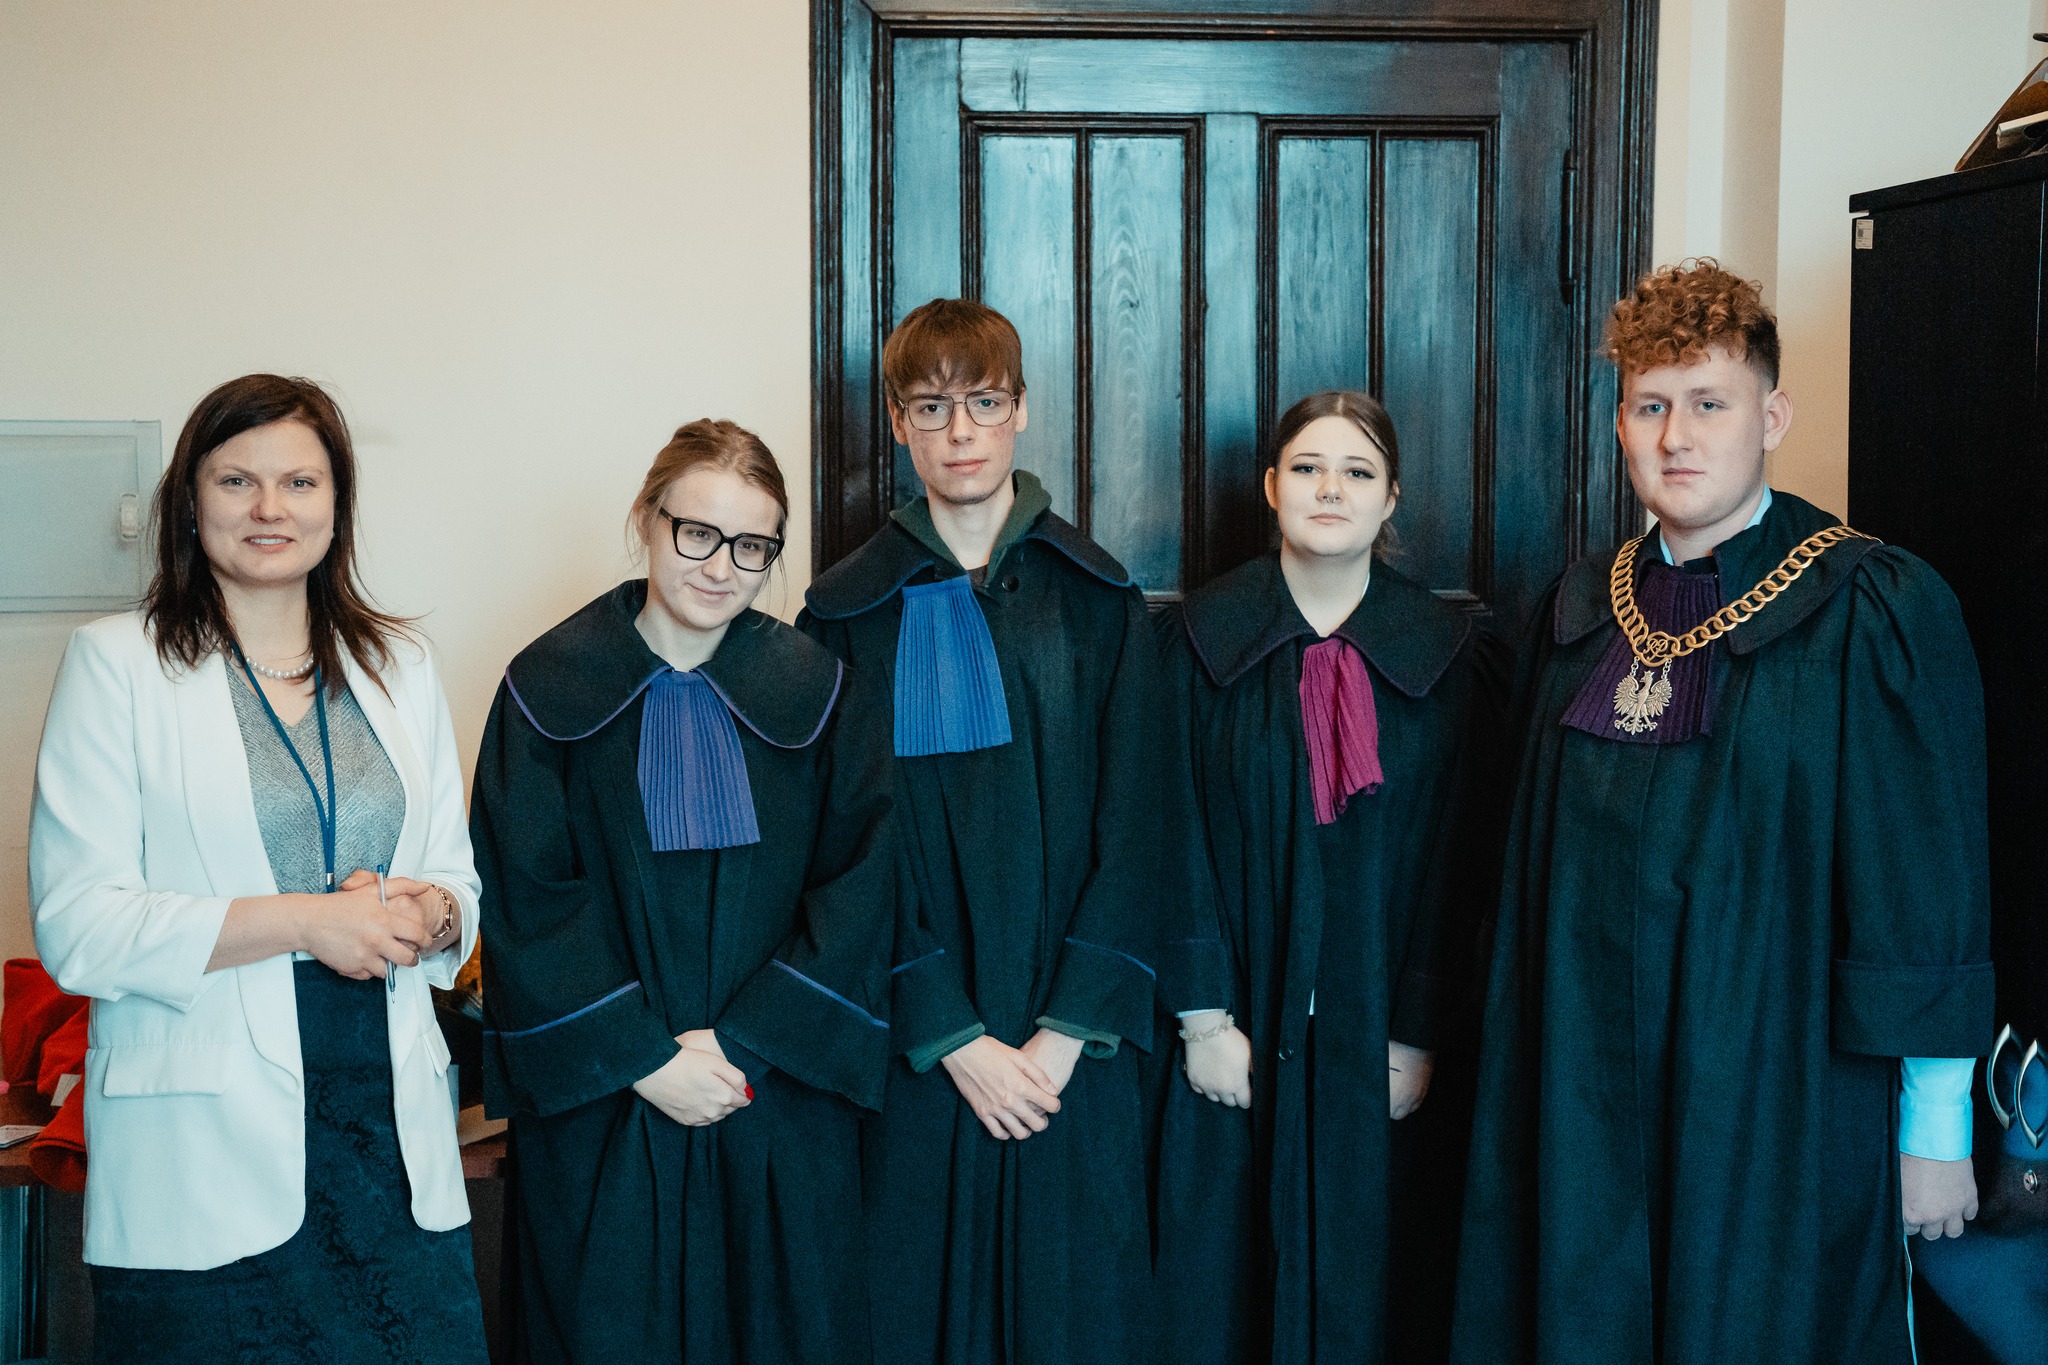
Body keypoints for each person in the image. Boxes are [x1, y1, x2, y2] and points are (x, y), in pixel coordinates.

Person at [1449, 260, 1993, 1364]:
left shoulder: (1870, 607)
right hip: (1580, 1089)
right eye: (1649, 406)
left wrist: (1933, 1134)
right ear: (1618, 425)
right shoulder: (1576, 612)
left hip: (1778, 1093)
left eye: (1708, 403)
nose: (1676, 438)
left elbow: (1923, 884)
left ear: (1771, 417)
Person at [29, 374, 487, 1363]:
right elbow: (78, 925)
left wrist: (437, 912)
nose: (269, 507)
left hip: (387, 1130)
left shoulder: (401, 665)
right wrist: (307, 921)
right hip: (201, 1148)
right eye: (237, 480)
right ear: (190, 502)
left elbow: (456, 876)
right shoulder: (118, 665)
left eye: (300, 482)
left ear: (337, 503)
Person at [473, 419, 900, 1363]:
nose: (720, 567)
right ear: (647, 517)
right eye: (697, 532)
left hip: (772, 1095)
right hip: (606, 1100)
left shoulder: (825, 693)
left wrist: (745, 1043)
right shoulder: (544, 688)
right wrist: (643, 1055)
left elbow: (861, 887)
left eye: (752, 546)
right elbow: (525, 897)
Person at [798, 298, 1166, 1365]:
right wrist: (951, 1036)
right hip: (915, 1047)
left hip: (1070, 1058)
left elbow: (1141, 825)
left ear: (1021, 411)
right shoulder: (843, 618)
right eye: (931, 407)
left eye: (984, 403)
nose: (960, 431)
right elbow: (834, 852)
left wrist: (1062, 1035)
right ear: (898, 424)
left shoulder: (1100, 603)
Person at [1153, 390, 1505, 1365]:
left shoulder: (1449, 661)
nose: (1329, 489)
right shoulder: (1193, 645)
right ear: (1271, 487)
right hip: (1231, 1036)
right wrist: (1201, 1016)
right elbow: (1165, 827)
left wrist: (1418, 1029)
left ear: (1389, 499)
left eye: (1357, 471)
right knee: (1223, 1287)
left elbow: (1462, 855)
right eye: (1307, 468)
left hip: (1378, 1038)